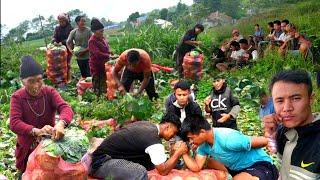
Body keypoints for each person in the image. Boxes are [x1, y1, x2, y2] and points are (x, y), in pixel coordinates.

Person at [9, 56, 74, 175]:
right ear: (22, 81)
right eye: (31, 81)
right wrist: (36, 131)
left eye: (39, 80)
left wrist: (61, 123)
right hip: (27, 150)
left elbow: (65, 108)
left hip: (50, 148)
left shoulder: (49, 92)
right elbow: (14, 123)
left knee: (50, 174)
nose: (36, 85)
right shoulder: (17, 97)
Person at [89, 113, 188, 179]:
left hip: (107, 157)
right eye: (173, 133)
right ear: (167, 127)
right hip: (101, 163)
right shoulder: (153, 139)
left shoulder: (147, 125)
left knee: (149, 163)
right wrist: (178, 153)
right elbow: (163, 171)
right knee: (140, 172)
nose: (173, 136)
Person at [180, 115, 279, 180]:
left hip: (258, 165)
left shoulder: (228, 138)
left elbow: (263, 141)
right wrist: (183, 152)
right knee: (209, 162)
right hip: (237, 168)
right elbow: (196, 167)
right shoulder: (203, 146)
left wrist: (271, 140)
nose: (191, 142)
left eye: (191, 138)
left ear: (202, 132)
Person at [263, 70, 320, 179]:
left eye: (295, 98)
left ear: (311, 99)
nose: (287, 108)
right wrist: (270, 136)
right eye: (280, 101)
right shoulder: (282, 131)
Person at [88, 19, 110, 97]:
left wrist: (111, 53)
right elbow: (97, 54)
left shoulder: (102, 38)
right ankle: (97, 101)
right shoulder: (92, 41)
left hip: (104, 65)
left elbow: (107, 49)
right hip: (96, 66)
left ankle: (104, 98)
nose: (102, 33)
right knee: (97, 85)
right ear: (94, 31)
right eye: (100, 31)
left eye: (102, 31)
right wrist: (109, 56)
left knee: (105, 84)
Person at [52, 13, 73, 83]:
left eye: (63, 21)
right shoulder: (57, 28)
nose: (61, 23)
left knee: (68, 64)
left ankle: (68, 79)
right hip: (59, 49)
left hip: (68, 48)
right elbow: (54, 37)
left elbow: (70, 38)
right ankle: (60, 80)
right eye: (60, 21)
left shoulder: (70, 27)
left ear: (66, 20)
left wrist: (62, 42)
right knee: (59, 65)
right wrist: (54, 41)